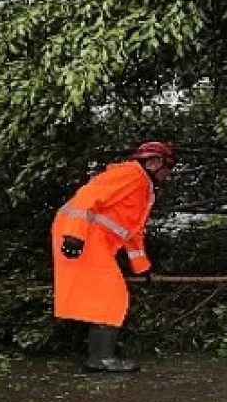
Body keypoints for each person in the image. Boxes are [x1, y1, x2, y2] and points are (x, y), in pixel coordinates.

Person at [51, 141, 176, 373]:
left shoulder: (142, 185)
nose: (167, 174)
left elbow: (133, 231)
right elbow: (87, 197)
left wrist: (142, 267)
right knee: (112, 294)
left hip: (90, 239)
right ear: (155, 163)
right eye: (167, 168)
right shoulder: (132, 175)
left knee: (106, 294)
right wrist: (74, 235)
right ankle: (100, 359)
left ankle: (99, 357)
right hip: (84, 237)